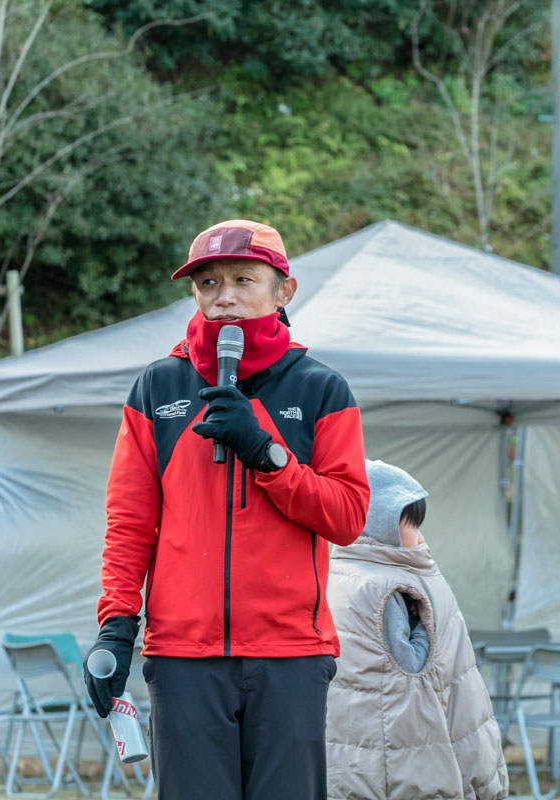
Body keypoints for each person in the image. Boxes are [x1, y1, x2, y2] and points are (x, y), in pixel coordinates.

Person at [84, 219, 370, 800]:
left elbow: (347, 516)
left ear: (284, 291)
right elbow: (129, 523)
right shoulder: (158, 388)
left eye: (243, 279)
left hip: (291, 654)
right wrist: (116, 628)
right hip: (182, 656)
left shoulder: (321, 389)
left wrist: (265, 453)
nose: (225, 296)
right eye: (209, 282)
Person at [325, 460, 508, 800]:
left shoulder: (338, 572)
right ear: (381, 525)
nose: (421, 537)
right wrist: (427, 627)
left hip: (356, 748)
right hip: (401, 754)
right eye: (412, 525)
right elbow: (408, 666)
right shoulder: (385, 586)